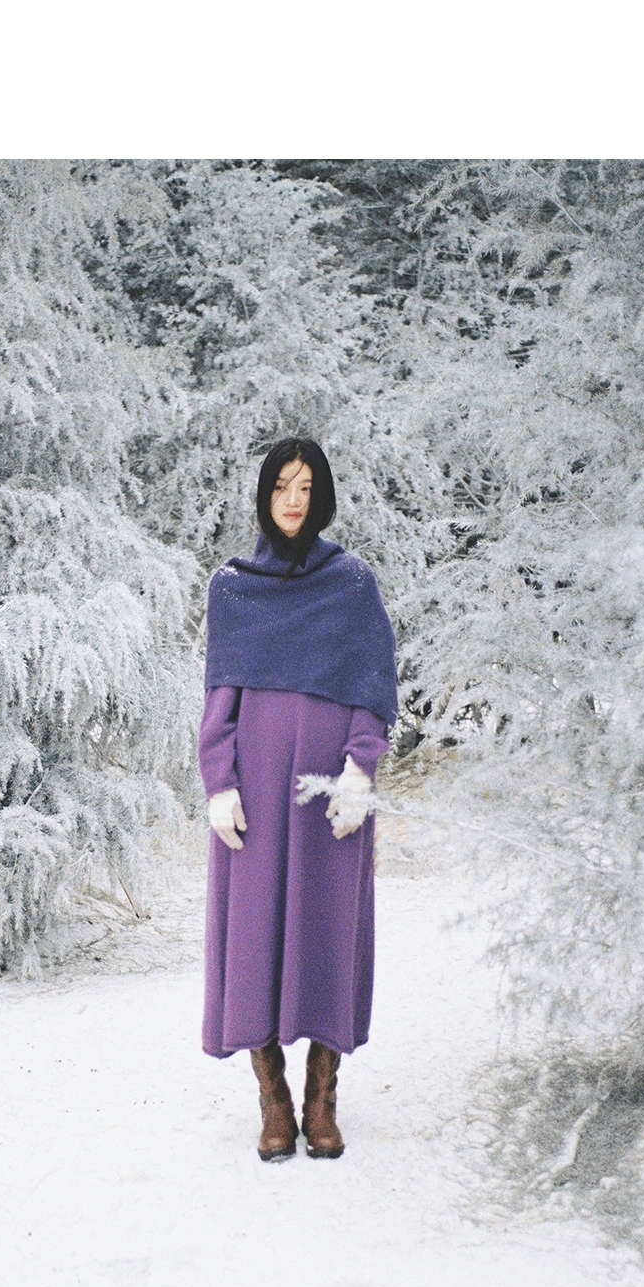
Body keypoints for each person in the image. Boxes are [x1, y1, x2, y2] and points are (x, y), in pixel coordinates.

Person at [199, 437, 398, 1161]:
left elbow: (374, 687)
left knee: (326, 932)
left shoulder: (351, 584)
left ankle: (321, 1097)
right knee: (253, 938)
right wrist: (219, 782)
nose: (292, 499)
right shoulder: (233, 586)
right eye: (282, 485)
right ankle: (273, 1099)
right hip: (254, 799)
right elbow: (219, 698)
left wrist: (360, 771)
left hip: (329, 799)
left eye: (306, 487)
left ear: (322, 498)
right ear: (264, 495)